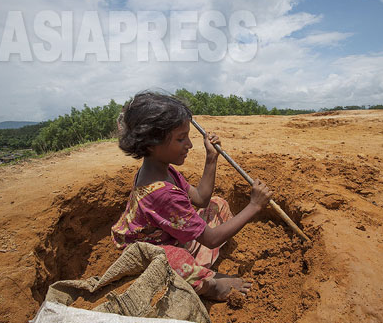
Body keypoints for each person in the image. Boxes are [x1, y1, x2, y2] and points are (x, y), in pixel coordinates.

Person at [111, 91, 273, 301]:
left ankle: (198, 270)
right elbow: (211, 239)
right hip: (149, 257)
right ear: (151, 144)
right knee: (177, 260)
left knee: (218, 205)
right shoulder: (162, 194)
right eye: (181, 138)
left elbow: (201, 199)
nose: (189, 144)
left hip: (167, 238)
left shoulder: (162, 170)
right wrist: (254, 206)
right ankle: (212, 286)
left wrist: (211, 158)